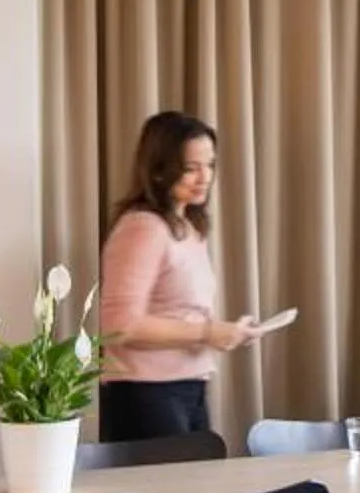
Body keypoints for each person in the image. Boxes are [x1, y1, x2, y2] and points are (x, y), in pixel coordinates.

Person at [97, 111, 259, 442]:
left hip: (188, 385)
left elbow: (180, 313)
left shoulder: (189, 230)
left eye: (210, 165)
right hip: (147, 393)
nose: (205, 177)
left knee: (198, 490)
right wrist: (207, 332)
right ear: (158, 170)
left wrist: (225, 333)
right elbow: (119, 325)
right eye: (190, 168)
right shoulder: (142, 227)